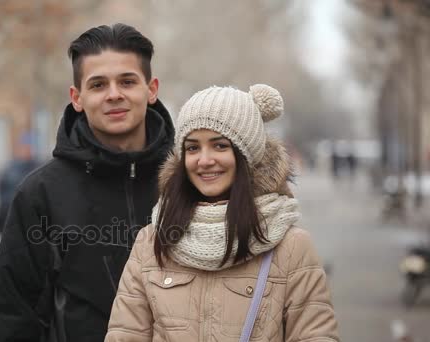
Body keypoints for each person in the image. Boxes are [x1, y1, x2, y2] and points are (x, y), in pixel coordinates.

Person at [0, 23, 174, 342]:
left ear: (151, 89)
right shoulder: (40, 194)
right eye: (98, 84)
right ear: (77, 97)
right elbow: (12, 318)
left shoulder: (187, 182)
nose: (114, 94)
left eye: (127, 81)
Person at [106, 85, 339, 341]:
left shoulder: (291, 246)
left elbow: (315, 335)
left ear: (246, 155)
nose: (204, 160)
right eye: (193, 148)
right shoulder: (152, 241)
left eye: (219, 146)